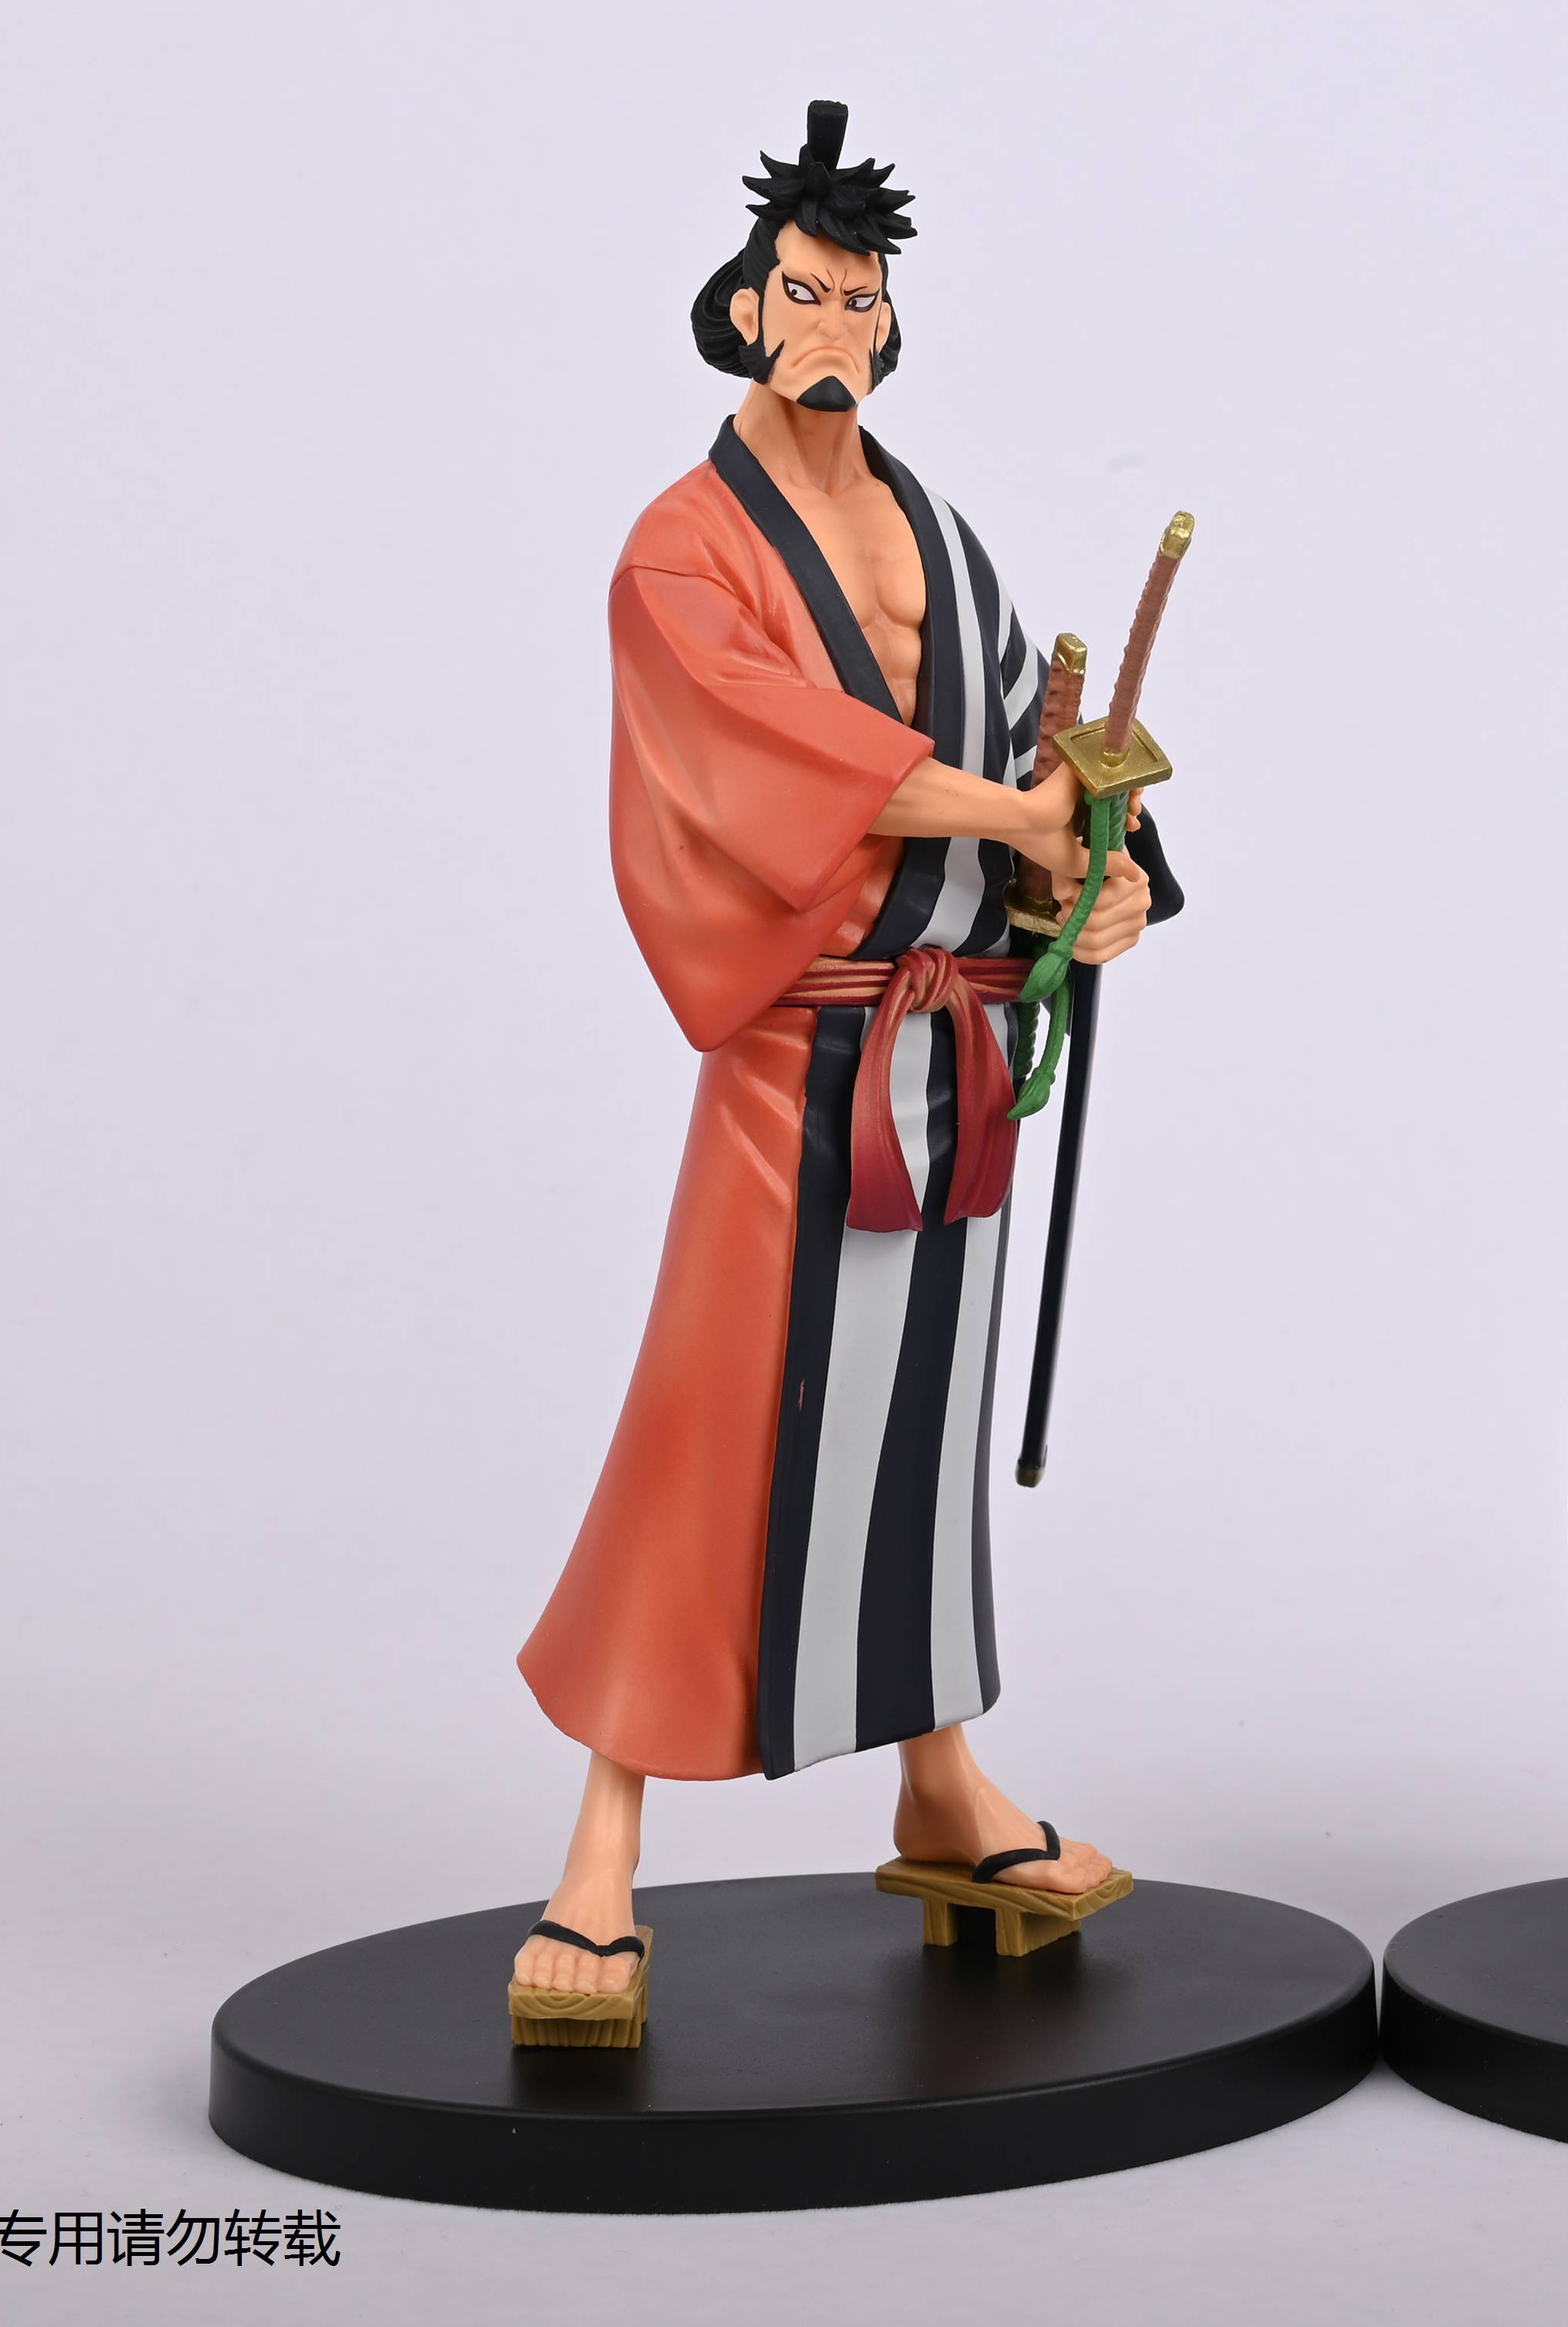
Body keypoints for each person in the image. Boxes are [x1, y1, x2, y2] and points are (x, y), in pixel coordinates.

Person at [507, 103, 1166, 2036]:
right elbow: (772, 746)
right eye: (804, 293)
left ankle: (944, 1785)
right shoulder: (684, 546)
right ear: (741, 305)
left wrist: (1091, 878)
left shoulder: (938, 532)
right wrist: (1011, 817)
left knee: (920, 1433)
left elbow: (1032, 751)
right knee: (720, 1419)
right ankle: (602, 1848)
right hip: (806, 1046)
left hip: (961, 1040)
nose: (835, 328)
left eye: (862, 301)